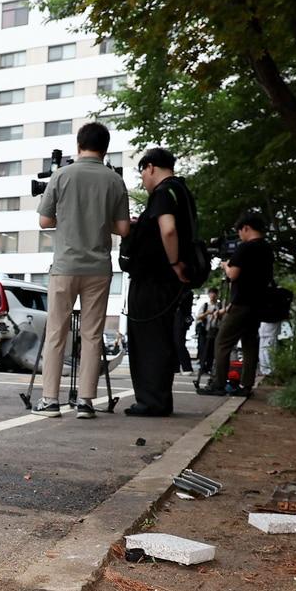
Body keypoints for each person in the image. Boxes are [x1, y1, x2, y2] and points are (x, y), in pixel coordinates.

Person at [32, 121, 131, 419]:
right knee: (91, 335)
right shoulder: (114, 181)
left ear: (79, 145)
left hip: (65, 266)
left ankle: (50, 400)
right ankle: (86, 401)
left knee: (57, 332)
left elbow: (44, 221)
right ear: (105, 148)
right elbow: (124, 228)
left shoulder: (61, 175)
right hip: (99, 268)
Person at [125, 147, 199, 417]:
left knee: (148, 339)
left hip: (155, 279)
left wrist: (174, 262)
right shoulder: (182, 191)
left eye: (143, 173)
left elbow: (168, 229)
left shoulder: (163, 192)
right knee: (161, 339)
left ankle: (150, 401)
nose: (143, 180)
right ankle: (158, 399)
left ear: (150, 167)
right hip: (165, 282)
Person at [201, 212, 273, 396]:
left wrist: (226, 265)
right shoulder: (267, 248)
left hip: (241, 303)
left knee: (222, 342)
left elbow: (233, 274)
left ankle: (218, 384)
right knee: (250, 343)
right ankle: (246, 385)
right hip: (258, 304)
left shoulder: (245, 248)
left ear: (246, 228)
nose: (239, 235)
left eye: (240, 231)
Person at [195, 287, 220, 377]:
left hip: (214, 331)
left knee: (211, 350)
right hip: (204, 330)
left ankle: (208, 368)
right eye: (211, 293)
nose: (212, 295)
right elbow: (198, 317)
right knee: (202, 349)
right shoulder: (205, 305)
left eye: (214, 293)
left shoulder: (219, 306)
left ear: (217, 295)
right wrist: (207, 313)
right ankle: (202, 367)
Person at [174, 298, 194, 373]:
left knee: (179, 344)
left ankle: (187, 367)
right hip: (176, 319)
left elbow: (185, 307)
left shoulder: (186, 293)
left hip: (180, 320)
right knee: (175, 344)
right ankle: (176, 367)